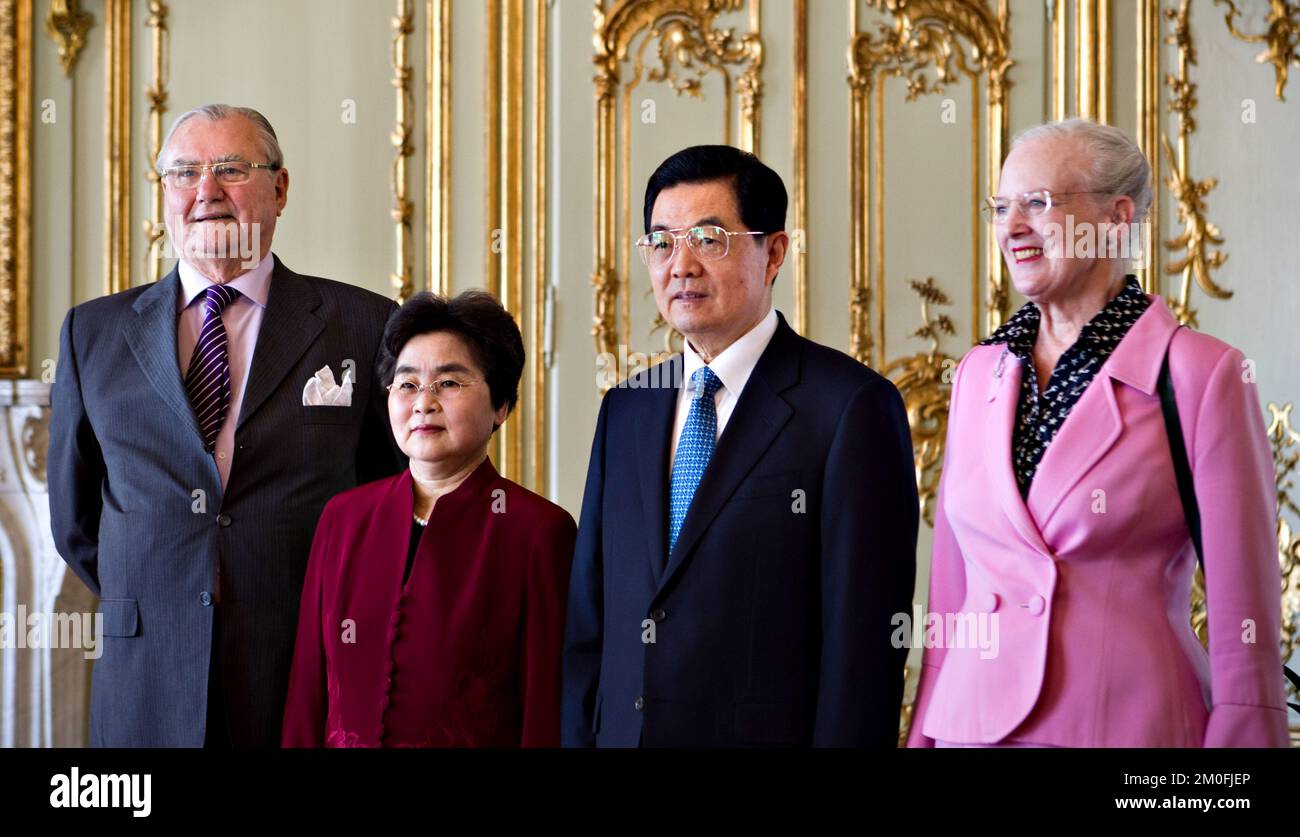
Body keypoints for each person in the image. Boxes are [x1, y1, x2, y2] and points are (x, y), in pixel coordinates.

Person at [907, 118, 1289, 747]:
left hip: (1129, 733)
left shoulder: (1202, 373)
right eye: (1001, 207)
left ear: (1115, 218)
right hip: (970, 733)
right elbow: (953, 596)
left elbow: (1244, 613)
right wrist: (926, 735)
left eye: (1039, 203)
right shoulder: (979, 373)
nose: (1011, 227)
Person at [48, 104, 403, 747]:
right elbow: (76, 522)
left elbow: (391, 499)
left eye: (230, 169)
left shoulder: (363, 323)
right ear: (164, 195)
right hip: (146, 676)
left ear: (280, 188)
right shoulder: (91, 334)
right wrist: (169, 592)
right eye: (184, 172)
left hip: (301, 670)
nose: (205, 192)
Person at [562, 145, 918, 747]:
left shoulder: (849, 407)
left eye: (708, 239)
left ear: (773, 251)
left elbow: (864, 648)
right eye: (662, 242)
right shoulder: (627, 408)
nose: (681, 266)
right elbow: (589, 627)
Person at [281, 291, 576, 747]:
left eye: (450, 383)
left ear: (501, 405)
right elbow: (307, 695)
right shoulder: (343, 519)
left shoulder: (538, 532)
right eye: (407, 384)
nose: (424, 402)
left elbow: (544, 710)